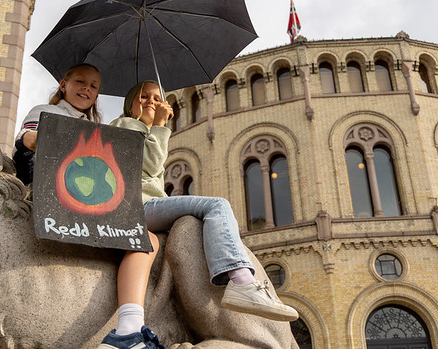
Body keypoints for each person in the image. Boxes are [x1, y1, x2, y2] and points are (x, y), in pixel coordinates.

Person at [110, 80, 299, 328]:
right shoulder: (124, 125)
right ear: (129, 104)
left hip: (147, 204)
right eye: (144, 97)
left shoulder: (144, 131)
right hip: (137, 205)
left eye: (157, 98)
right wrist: (160, 126)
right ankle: (241, 281)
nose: (151, 102)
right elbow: (150, 165)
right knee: (216, 206)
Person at [13, 64, 164, 349]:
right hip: (55, 197)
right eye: (80, 82)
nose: (87, 89)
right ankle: (129, 331)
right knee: (145, 239)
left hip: (90, 200)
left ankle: (130, 326)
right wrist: (49, 140)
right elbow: (26, 139)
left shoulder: (97, 128)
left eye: (94, 86)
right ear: (63, 85)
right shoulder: (47, 112)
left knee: (149, 240)